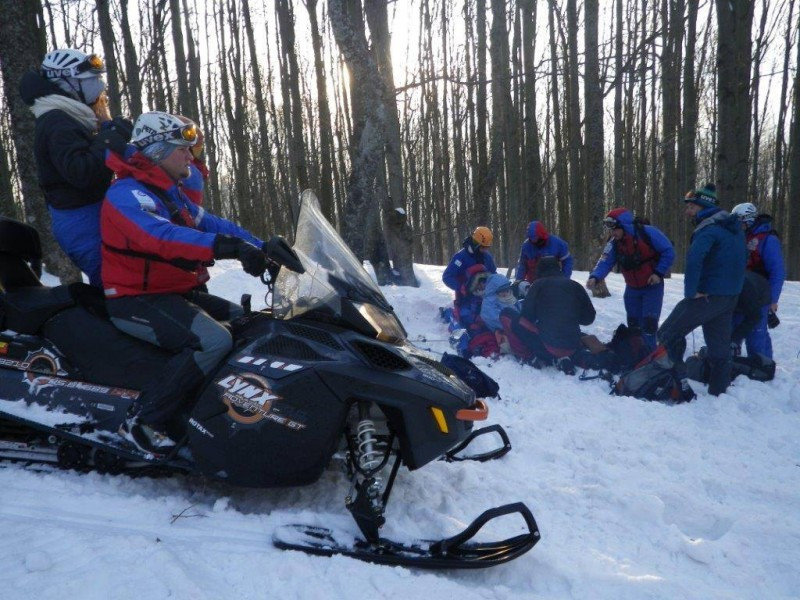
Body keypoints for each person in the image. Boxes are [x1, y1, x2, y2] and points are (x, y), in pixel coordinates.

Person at [101, 111, 285, 455]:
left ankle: (219, 412)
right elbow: (162, 237)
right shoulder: (127, 195)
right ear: (157, 151)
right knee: (213, 339)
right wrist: (226, 248)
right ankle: (144, 421)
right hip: (134, 299)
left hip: (173, 291)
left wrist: (265, 247)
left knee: (252, 325)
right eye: (181, 149)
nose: (190, 156)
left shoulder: (169, 193)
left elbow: (211, 224)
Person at [19, 48, 133, 286]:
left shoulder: (70, 117)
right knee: (115, 288)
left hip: (89, 216)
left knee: (123, 283)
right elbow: (82, 173)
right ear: (67, 82)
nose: (99, 85)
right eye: (91, 80)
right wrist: (112, 136)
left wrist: (108, 130)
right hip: (81, 222)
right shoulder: (56, 121)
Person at [656, 184, 746, 398]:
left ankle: (672, 381)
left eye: (691, 207)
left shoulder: (708, 229)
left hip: (707, 296)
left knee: (668, 333)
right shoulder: (733, 228)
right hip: (730, 296)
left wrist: (691, 292)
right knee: (719, 347)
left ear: (703, 206)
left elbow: (694, 261)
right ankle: (719, 390)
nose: (687, 212)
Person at [586, 208, 675, 350]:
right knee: (633, 324)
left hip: (652, 287)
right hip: (632, 288)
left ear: (624, 226)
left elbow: (668, 251)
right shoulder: (614, 243)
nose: (612, 233)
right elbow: (605, 261)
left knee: (649, 324)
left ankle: (649, 356)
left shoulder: (648, 233)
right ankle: (636, 353)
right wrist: (595, 277)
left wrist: (658, 273)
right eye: (611, 230)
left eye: (615, 229)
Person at [512, 257, 596, 375]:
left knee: (514, 320)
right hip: (573, 344)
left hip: (547, 345)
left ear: (539, 270)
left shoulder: (538, 285)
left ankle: (529, 356)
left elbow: (526, 316)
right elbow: (589, 318)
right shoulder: (575, 286)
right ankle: (568, 357)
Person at [730, 202, 785, 359]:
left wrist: (773, 300)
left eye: (739, 222)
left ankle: (762, 365)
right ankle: (734, 363)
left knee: (756, 333)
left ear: (748, 220)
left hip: (760, 294)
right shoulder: (739, 237)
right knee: (735, 328)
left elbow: (777, 271)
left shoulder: (768, 240)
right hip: (740, 292)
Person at [442, 226, 497, 302]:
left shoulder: (487, 257)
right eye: (483, 247)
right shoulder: (460, 257)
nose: (486, 250)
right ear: (476, 244)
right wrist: (460, 287)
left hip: (486, 296)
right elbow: (447, 277)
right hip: (465, 298)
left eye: (487, 247)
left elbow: (493, 273)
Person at [731, 270, 771, 356]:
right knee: (728, 337)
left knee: (755, 340)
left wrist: (735, 338)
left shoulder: (747, 289)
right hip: (736, 302)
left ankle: (762, 366)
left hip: (760, 297)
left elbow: (755, 316)